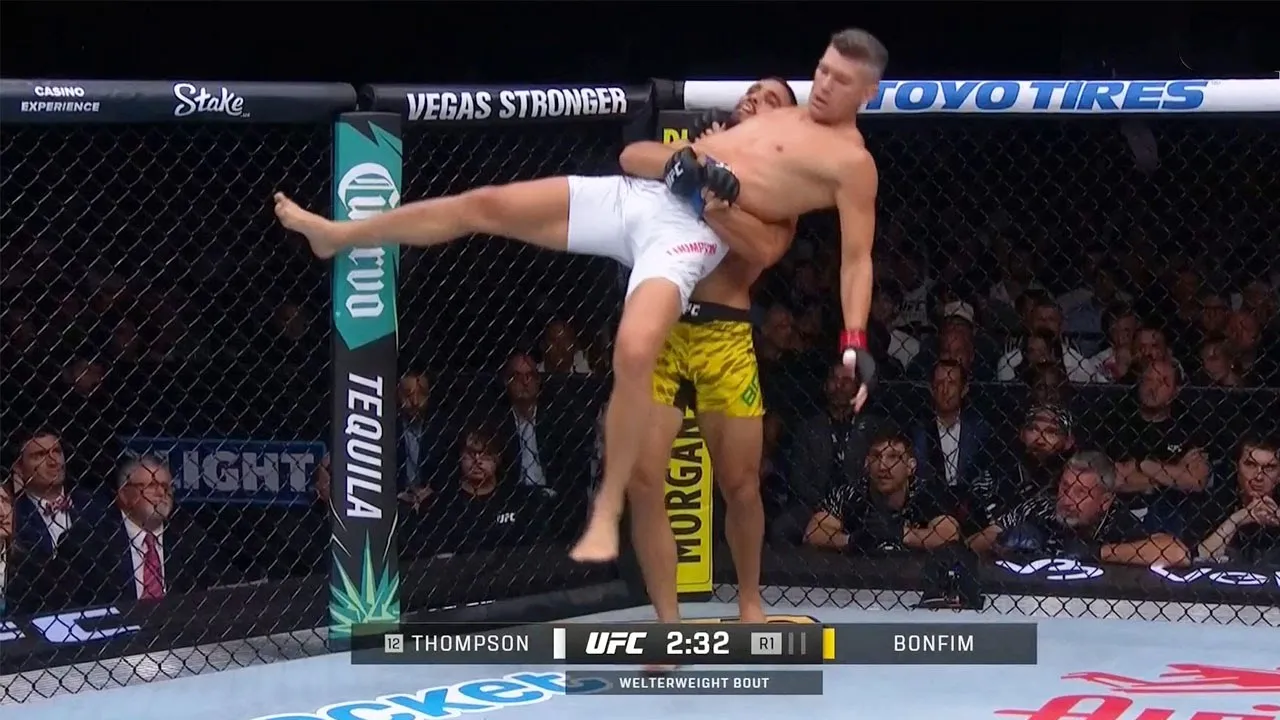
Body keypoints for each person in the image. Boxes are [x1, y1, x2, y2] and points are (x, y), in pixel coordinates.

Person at [274, 27, 886, 563]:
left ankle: (606, 512)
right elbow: (639, 155)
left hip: (690, 237)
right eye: (821, 70)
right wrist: (687, 160)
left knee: (635, 348)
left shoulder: (850, 164)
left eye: (839, 80)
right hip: (641, 199)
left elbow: (853, 258)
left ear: (867, 93)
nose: (822, 84)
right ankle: (337, 235)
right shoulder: (761, 117)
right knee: (485, 204)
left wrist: (853, 340)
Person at [627, 77, 799, 629]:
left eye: (772, 100)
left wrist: (707, 196)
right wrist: (694, 161)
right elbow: (631, 157)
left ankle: (750, 606)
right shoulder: (700, 147)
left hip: (724, 338)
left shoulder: (784, 183)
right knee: (644, 480)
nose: (755, 98)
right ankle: (668, 622)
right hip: (663, 324)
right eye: (754, 91)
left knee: (741, 485)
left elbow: (763, 247)